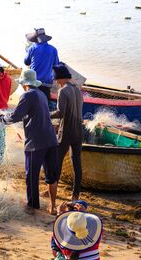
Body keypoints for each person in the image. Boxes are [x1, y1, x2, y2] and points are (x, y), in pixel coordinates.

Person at [0, 69, 58, 214]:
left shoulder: (27, 95)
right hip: (51, 140)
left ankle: (33, 206)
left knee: (31, 175)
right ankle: (53, 206)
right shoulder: (41, 94)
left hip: (36, 142)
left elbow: (15, 116)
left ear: (24, 84)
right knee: (52, 175)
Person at [50, 64, 83, 201]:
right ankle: (75, 195)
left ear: (61, 79)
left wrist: (46, 114)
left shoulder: (63, 91)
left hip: (67, 131)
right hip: (79, 131)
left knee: (57, 161)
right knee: (77, 163)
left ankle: (53, 189)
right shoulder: (78, 90)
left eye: (57, 80)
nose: (56, 82)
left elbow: (60, 113)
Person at [24, 28, 59, 101]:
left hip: (34, 81)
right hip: (47, 82)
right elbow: (56, 65)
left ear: (35, 39)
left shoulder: (32, 48)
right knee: (45, 103)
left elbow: (26, 62)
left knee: (33, 102)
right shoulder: (53, 49)